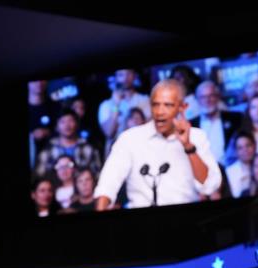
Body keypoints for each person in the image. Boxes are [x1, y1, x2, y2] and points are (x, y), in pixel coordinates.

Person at [94, 79, 222, 209]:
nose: (160, 112)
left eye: (168, 105)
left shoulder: (197, 137)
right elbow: (107, 184)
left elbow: (209, 187)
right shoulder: (129, 139)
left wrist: (188, 147)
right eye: (155, 105)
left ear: (183, 107)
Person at [97, 69, 151, 156]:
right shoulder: (106, 105)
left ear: (134, 76)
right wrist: (116, 106)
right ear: (116, 78)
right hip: (115, 155)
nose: (125, 78)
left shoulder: (145, 100)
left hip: (142, 152)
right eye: (121, 75)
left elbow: (150, 128)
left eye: (128, 73)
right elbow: (109, 132)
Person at [35, 110, 102, 178]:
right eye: (63, 122)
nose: (67, 125)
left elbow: (97, 173)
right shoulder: (48, 150)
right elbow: (40, 175)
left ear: (77, 124)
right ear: (57, 126)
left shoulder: (88, 148)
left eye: (70, 120)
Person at [189, 81, 244, 165]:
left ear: (218, 97)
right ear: (197, 100)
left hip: (231, 170)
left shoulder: (235, 119)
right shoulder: (190, 125)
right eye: (203, 97)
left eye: (211, 96)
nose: (207, 100)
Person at [224, 131, 256, 198]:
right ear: (236, 151)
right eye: (240, 148)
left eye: (248, 145)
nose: (245, 150)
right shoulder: (230, 172)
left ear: (254, 146)